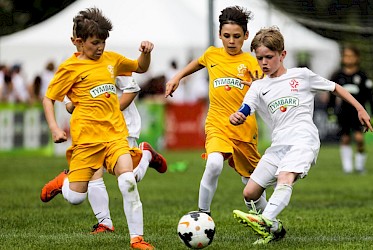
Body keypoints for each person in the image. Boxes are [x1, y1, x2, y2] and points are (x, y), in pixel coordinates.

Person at [229, 26, 373, 245]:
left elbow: (335, 87)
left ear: (282, 55)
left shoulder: (302, 75)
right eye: (260, 58)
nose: (264, 62)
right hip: (279, 144)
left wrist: (360, 108)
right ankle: (274, 229)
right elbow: (246, 107)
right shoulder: (258, 86)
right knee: (250, 193)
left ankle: (265, 220)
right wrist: (238, 115)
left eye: (269, 57)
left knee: (285, 177)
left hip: (303, 139)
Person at [39, 8, 166, 249]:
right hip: (86, 142)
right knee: (76, 198)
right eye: (95, 42)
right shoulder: (69, 69)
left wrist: (146, 53)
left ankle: (137, 239)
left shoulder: (112, 60)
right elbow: (49, 99)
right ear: (78, 42)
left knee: (127, 179)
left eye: (104, 42)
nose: (100, 47)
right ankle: (64, 181)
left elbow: (140, 67)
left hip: (115, 136)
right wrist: (55, 129)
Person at [165, 6, 264, 215]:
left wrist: (260, 86)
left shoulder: (251, 61)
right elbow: (198, 63)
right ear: (219, 35)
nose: (231, 41)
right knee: (214, 164)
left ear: (246, 36)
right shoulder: (212, 54)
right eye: (226, 36)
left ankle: (269, 219)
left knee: (253, 185)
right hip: (217, 123)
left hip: (245, 128)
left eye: (237, 36)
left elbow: (265, 88)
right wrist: (176, 78)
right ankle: (203, 214)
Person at [327, 45, 373, 174]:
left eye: (351, 56)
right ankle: (347, 167)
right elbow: (331, 94)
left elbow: (371, 97)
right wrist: (330, 110)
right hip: (343, 112)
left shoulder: (362, 75)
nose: (348, 59)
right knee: (345, 138)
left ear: (357, 58)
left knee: (359, 139)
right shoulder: (337, 75)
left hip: (358, 113)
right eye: (346, 56)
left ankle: (360, 166)